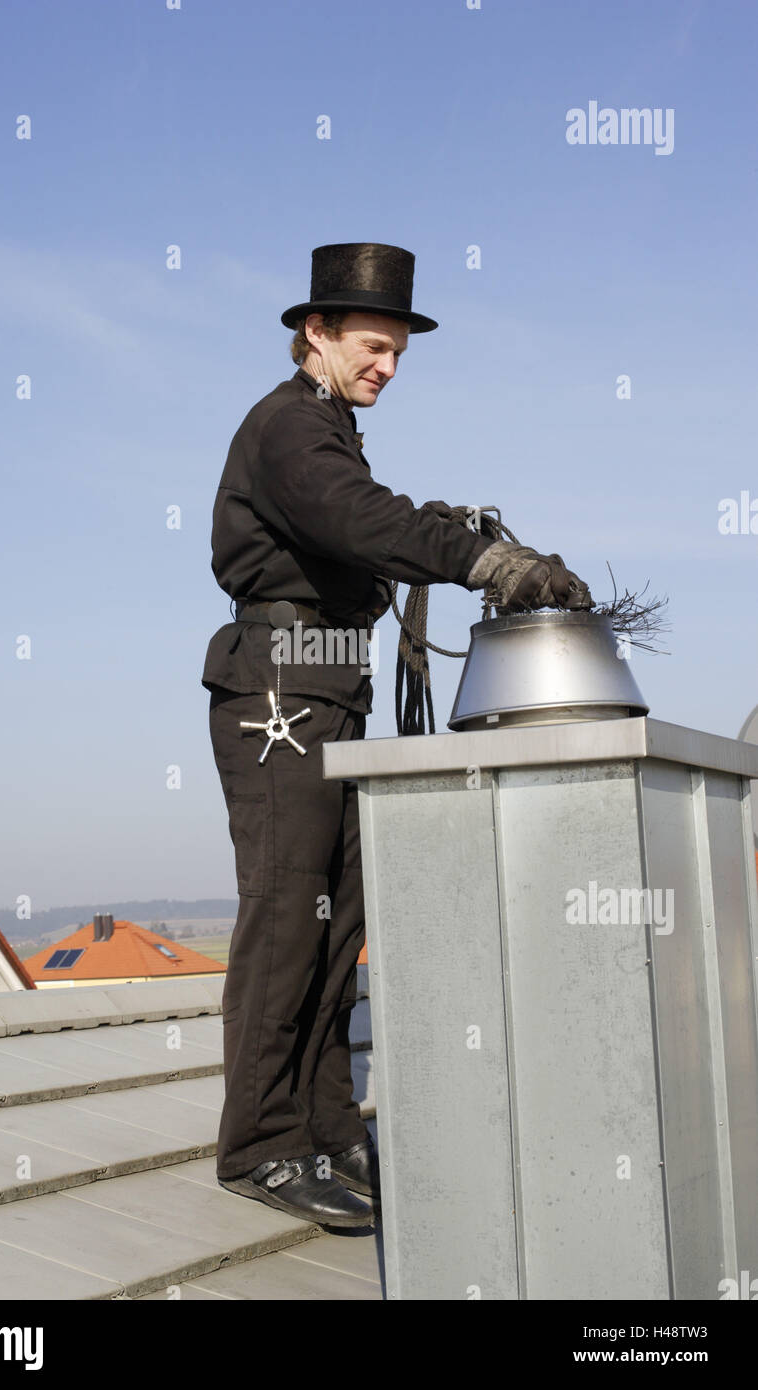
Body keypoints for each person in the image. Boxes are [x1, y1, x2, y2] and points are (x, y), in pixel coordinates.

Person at [201, 242, 591, 1228]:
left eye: (396, 352)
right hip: (279, 696)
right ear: (315, 334)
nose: (385, 366)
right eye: (371, 346)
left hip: (328, 690)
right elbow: (356, 518)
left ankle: (325, 1132)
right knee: (290, 912)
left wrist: (456, 545)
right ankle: (259, 1144)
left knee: (338, 923)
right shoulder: (289, 428)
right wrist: (480, 556)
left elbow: (370, 523)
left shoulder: (327, 427)